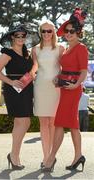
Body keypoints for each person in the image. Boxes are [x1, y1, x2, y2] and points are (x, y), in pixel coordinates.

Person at [42, 8, 88, 172]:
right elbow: (61, 32)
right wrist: (58, 77)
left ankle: (51, 157)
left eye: (72, 31)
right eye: (67, 31)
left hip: (73, 89)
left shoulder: (81, 48)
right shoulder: (67, 48)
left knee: (60, 122)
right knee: (73, 125)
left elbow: (83, 71)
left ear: (79, 32)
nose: (67, 33)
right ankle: (78, 156)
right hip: (64, 87)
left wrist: (76, 85)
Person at [0, 23, 40, 170]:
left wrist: (33, 74)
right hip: (13, 89)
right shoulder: (8, 52)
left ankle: (13, 154)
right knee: (23, 122)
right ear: (12, 37)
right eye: (17, 35)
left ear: (25, 37)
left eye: (23, 35)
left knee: (23, 123)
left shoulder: (27, 53)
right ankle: (14, 156)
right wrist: (11, 81)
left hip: (26, 89)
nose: (20, 38)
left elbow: (34, 67)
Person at [31, 20, 64, 168]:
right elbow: (34, 69)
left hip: (55, 88)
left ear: (54, 32)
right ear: (40, 32)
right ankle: (45, 158)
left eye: (49, 31)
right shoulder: (35, 49)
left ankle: (51, 157)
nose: (46, 34)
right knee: (43, 123)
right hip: (40, 87)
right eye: (43, 31)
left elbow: (64, 68)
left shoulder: (60, 48)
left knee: (53, 123)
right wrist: (19, 82)